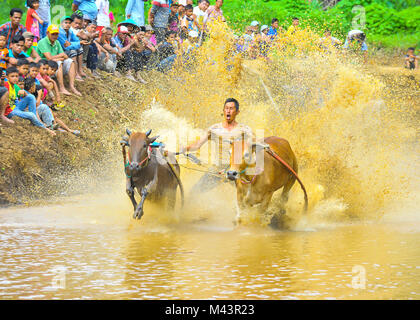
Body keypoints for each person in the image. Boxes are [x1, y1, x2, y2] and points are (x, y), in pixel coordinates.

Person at [180, 98, 253, 193]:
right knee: (194, 193)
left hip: (235, 170)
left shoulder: (244, 130)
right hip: (217, 170)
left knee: (248, 196)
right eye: (226, 108)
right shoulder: (214, 129)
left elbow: (253, 146)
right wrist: (184, 149)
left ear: (237, 112)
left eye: (231, 108)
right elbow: (197, 145)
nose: (228, 111)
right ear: (223, 110)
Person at [3, 66, 55, 135]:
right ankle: (44, 128)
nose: (15, 78)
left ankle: (41, 121)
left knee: (31, 96)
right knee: (31, 115)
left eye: (16, 76)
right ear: (7, 77)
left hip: (15, 107)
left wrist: (23, 93)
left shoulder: (15, 86)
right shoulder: (6, 85)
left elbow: (24, 94)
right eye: (12, 76)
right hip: (9, 112)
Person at [36, 24, 81, 96]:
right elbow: (49, 58)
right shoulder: (43, 42)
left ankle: (72, 86)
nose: (55, 36)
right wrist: (60, 57)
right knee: (59, 62)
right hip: (45, 65)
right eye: (53, 34)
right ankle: (62, 88)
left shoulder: (57, 42)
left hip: (53, 63)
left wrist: (59, 57)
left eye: (56, 34)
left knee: (70, 61)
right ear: (47, 33)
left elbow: (65, 56)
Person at [58, 16, 86, 80]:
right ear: (61, 23)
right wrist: (77, 43)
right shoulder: (60, 33)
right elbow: (66, 47)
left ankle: (80, 70)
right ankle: (75, 73)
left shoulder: (70, 31)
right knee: (73, 51)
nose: (68, 24)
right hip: (61, 51)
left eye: (69, 23)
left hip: (67, 48)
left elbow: (77, 41)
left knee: (80, 49)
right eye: (66, 23)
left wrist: (71, 43)